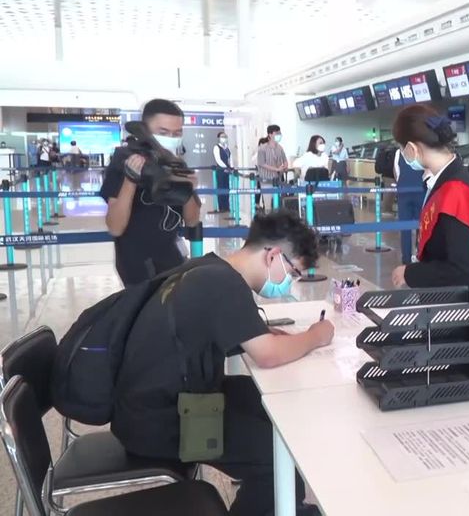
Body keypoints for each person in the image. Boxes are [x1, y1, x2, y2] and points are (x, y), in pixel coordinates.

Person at [111, 210, 335, 516]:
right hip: (160, 421)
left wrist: (266, 335)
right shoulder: (224, 284)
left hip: (159, 401)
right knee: (273, 454)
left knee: (269, 409)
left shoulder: (210, 268)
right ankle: (272, 504)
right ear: (273, 256)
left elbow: (220, 331)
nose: (290, 283)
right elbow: (267, 354)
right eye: (293, 273)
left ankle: (283, 505)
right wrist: (315, 336)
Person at [101, 99, 202, 286]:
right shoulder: (125, 160)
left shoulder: (177, 163)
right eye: (163, 132)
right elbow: (115, 227)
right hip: (138, 266)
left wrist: (188, 189)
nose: (171, 138)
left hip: (172, 260)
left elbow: (192, 220)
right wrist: (131, 179)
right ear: (145, 129)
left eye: (177, 133)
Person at [390, 105, 469, 297]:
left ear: (411, 148)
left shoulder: (455, 190)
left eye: (401, 148)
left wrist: (409, 273)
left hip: (460, 304)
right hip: (448, 298)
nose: (402, 153)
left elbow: (460, 269)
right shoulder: (440, 179)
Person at [393, 139, 428, 265]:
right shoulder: (422, 151)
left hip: (404, 193)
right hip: (420, 192)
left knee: (405, 229)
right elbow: (427, 172)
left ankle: (406, 259)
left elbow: (396, 172)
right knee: (423, 226)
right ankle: (421, 255)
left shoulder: (399, 153)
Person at [256, 124, 288, 212]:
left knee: (278, 205)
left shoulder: (280, 148)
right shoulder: (262, 148)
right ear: (270, 134)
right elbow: (262, 163)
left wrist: (285, 166)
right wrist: (276, 169)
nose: (279, 135)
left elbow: (285, 160)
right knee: (268, 205)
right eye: (277, 133)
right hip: (266, 180)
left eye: (280, 133)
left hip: (278, 180)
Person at [212, 132, 233, 213]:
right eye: (222, 136)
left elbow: (230, 158)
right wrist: (225, 167)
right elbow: (218, 159)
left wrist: (230, 167)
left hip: (227, 171)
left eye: (225, 136)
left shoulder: (227, 148)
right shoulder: (216, 147)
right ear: (218, 138)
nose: (224, 138)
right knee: (221, 187)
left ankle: (226, 206)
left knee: (227, 188)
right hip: (220, 170)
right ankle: (221, 207)